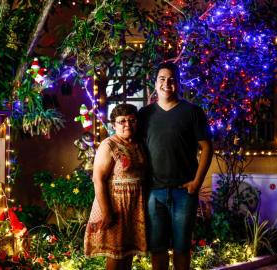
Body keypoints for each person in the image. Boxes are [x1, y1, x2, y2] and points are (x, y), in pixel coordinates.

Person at [139, 62, 213, 270]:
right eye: (162, 79)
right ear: (155, 83)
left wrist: (197, 183)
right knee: (158, 249)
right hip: (154, 192)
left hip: (184, 192)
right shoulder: (144, 115)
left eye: (171, 79)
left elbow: (207, 147)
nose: (166, 83)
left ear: (178, 83)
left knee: (182, 249)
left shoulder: (192, 112)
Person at [84, 103, 147, 270]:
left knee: (128, 254)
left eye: (132, 120)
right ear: (114, 124)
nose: (127, 124)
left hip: (134, 206)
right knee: (116, 255)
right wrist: (106, 212)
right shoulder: (108, 145)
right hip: (115, 205)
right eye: (122, 121)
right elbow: (98, 179)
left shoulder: (138, 143)